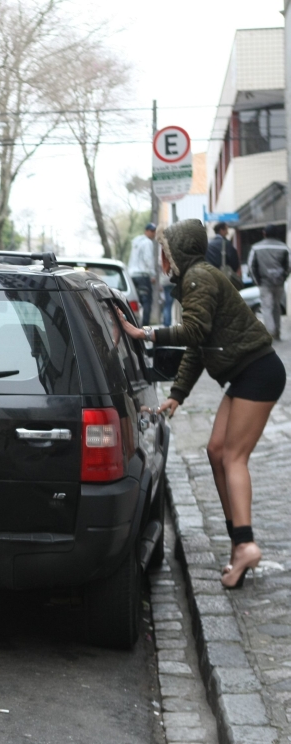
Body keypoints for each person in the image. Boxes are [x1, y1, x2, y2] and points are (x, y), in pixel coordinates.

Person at [117, 219, 284, 589]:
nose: (161, 259)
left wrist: (144, 332)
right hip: (247, 373)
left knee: (232, 457)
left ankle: (245, 544)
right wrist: (177, 394)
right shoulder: (194, 279)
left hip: (258, 371)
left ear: (176, 254)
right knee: (215, 450)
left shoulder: (198, 279)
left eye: (164, 252)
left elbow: (193, 332)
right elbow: (198, 347)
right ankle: (238, 542)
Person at [247, 226, 290, 341]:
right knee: (277, 306)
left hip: (264, 283)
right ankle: (277, 332)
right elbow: (289, 265)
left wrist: (257, 281)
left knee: (267, 307)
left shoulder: (256, 247)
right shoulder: (283, 247)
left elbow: (251, 266)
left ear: (264, 233)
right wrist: (284, 277)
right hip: (279, 283)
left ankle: (271, 333)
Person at [127, 222, 157, 321]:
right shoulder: (147, 242)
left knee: (134, 301)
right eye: (152, 231)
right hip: (143, 276)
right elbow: (148, 259)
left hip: (132, 275)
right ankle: (145, 328)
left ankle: (133, 324)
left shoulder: (136, 242)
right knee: (146, 301)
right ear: (146, 231)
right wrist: (152, 274)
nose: (154, 233)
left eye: (154, 231)